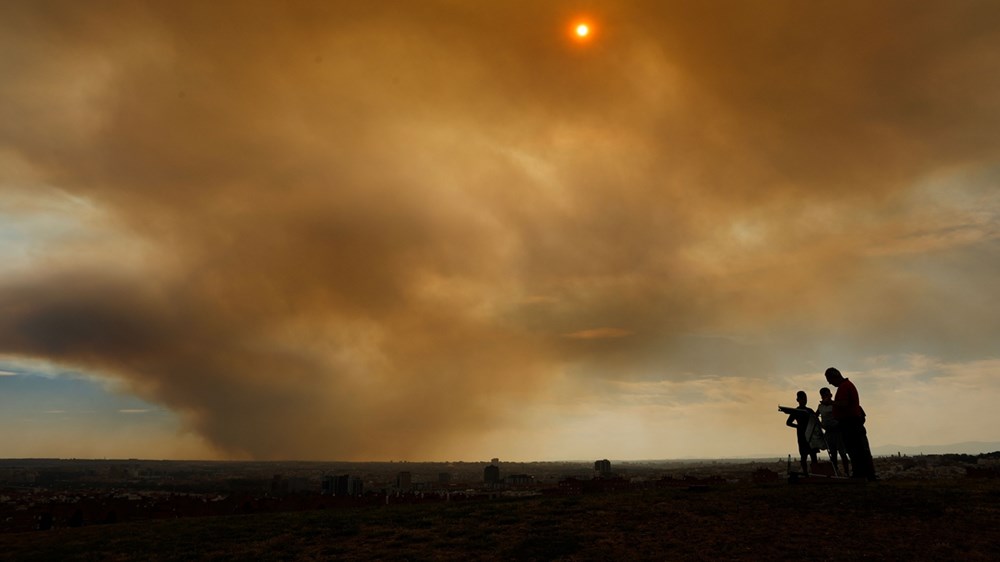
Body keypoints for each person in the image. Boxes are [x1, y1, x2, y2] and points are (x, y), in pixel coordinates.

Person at [824, 367, 877, 480]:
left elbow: (844, 403)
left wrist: (831, 403)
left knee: (855, 449)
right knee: (858, 449)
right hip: (851, 423)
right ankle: (865, 474)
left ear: (834, 377)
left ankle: (861, 474)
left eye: (829, 380)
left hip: (850, 423)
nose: (829, 383)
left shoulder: (844, 387)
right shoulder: (846, 386)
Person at [784, 390, 824, 476]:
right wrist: (798, 426)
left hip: (811, 435)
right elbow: (788, 423)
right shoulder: (796, 411)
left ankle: (815, 473)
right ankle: (806, 473)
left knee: (813, 455)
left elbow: (815, 420)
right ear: (798, 400)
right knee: (804, 456)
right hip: (802, 435)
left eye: (805, 399)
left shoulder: (809, 410)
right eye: (802, 399)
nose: (804, 401)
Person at [816, 387, 849, 477]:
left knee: (842, 453)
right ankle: (836, 473)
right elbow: (815, 416)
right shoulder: (821, 407)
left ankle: (847, 472)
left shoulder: (835, 404)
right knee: (833, 454)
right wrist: (821, 425)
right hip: (828, 432)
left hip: (837, 431)